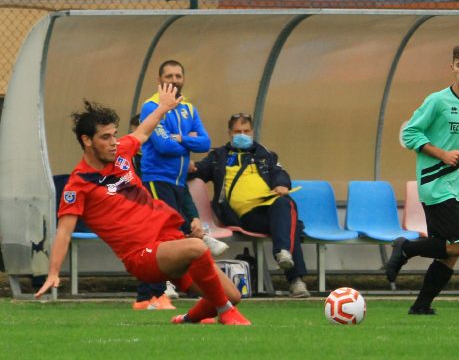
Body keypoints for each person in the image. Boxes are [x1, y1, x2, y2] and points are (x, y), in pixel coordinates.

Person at [35, 85, 251, 326]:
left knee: (233, 295)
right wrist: (53, 272)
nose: (113, 142)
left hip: (168, 242)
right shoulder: (78, 184)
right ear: (86, 140)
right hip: (142, 256)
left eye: (114, 134)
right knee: (197, 248)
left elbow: (143, 132)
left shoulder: (122, 152)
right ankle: (226, 312)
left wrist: (164, 107)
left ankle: (189, 318)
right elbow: (63, 232)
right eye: (105, 137)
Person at [387, 43, 459, 315]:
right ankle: (406, 248)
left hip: (453, 185)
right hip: (433, 181)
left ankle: (421, 306)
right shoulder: (437, 101)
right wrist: (441, 154)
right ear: (452, 67)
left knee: (449, 253)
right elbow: (410, 135)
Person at [189, 113, 310, 298]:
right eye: (238, 131)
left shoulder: (265, 154)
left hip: (269, 210)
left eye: (246, 131)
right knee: (290, 223)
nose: (242, 135)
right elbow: (199, 171)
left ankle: (284, 255)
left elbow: (280, 173)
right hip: (243, 217)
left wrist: (282, 185)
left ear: (252, 132)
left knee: (286, 204)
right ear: (230, 133)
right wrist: (186, 167)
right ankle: (295, 278)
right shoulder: (218, 156)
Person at [134, 60, 212, 310]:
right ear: (160, 80)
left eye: (178, 75)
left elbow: (206, 143)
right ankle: (159, 291)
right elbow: (163, 146)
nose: (174, 79)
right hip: (157, 178)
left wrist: (180, 140)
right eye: (169, 75)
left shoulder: (189, 108)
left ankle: (149, 295)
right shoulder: (151, 106)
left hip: (179, 181)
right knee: (164, 236)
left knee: (177, 232)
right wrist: (187, 141)